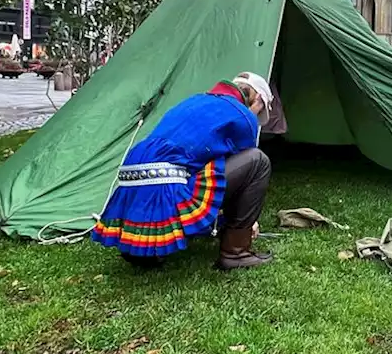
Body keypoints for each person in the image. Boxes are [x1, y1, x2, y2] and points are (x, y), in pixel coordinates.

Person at [92, 72, 278, 271]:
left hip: (132, 176)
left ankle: (142, 250)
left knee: (187, 166)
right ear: (257, 99)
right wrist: (249, 223)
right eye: (259, 111)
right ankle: (236, 252)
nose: (256, 116)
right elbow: (243, 173)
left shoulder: (194, 100)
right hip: (166, 182)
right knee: (257, 161)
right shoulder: (243, 115)